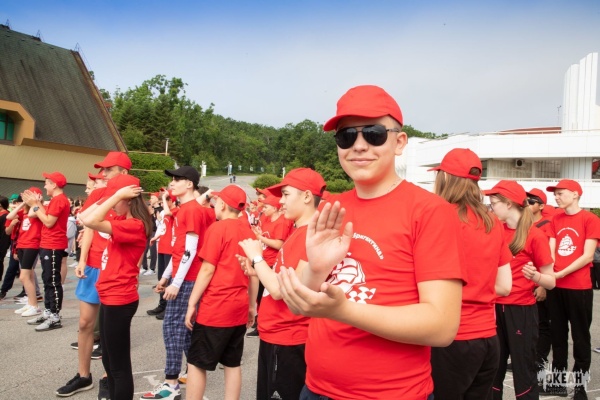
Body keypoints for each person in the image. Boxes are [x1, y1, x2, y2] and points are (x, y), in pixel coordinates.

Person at [277, 85, 464, 399]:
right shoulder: (333, 208)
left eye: (374, 134)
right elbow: (301, 304)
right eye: (346, 136)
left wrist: (344, 311)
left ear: (399, 142)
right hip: (316, 389)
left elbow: (442, 326)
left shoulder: (430, 211)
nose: (359, 146)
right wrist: (317, 268)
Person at [428, 149, 513, 399]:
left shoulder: (439, 217)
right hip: (487, 338)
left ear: (445, 178)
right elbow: (505, 286)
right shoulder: (492, 222)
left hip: (450, 337)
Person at [239, 168, 325, 400]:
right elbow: (280, 279)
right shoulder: (299, 231)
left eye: (286, 194)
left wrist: (257, 258)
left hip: (289, 339)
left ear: (306, 196)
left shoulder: (311, 235)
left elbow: (281, 291)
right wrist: (257, 268)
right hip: (277, 336)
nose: (281, 201)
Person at [141, 166, 215, 400]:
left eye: (177, 179)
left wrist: (176, 282)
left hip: (188, 279)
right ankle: (190, 376)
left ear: (189, 184)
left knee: (173, 329)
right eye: (172, 179)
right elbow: (179, 249)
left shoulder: (191, 210)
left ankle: (172, 384)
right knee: (183, 330)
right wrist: (166, 277)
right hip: (185, 276)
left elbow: (189, 250)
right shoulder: (187, 209)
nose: (171, 183)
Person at [79, 174, 152, 400]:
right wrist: (112, 196)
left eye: (117, 198)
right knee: (109, 362)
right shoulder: (122, 220)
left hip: (120, 298)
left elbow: (91, 222)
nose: (113, 204)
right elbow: (85, 217)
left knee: (119, 367)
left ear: (128, 199)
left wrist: (116, 195)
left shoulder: (135, 225)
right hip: (110, 295)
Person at [184, 184, 257, 400]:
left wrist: (192, 303)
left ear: (223, 204)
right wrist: (252, 305)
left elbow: (207, 269)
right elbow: (253, 274)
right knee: (232, 363)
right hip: (238, 305)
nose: (214, 205)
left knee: (196, 362)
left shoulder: (218, 228)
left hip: (216, 306)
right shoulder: (248, 231)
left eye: (216, 202)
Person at [483, 180, 555, 399]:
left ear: (509, 204)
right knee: (492, 370)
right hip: (494, 308)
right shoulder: (495, 230)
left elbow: (551, 282)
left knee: (523, 371)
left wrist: (536, 277)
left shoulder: (535, 236)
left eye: (494, 203)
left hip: (520, 310)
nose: (491, 207)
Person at [544, 179, 600, 399]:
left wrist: (560, 273)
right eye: (555, 194)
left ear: (575, 194)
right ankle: (557, 383)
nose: (556, 197)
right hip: (556, 286)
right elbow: (551, 248)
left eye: (561, 193)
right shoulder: (555, 218)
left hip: (579, 287)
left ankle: (579, 386)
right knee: (557, 337)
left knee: (580, 338)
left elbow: (587, 255)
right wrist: (551, 272)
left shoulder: (590, 219)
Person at [23, 172, 71, 331]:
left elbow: (49, 222)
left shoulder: (59, 200)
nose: (44, 186)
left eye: (46, 183)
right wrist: (36, 203)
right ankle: (49, 311)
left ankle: (54, 316)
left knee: (52, 280)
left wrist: (35, 205)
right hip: (48, 243)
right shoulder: (56, 200)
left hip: (53, 244)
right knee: (47, 279)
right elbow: (39, 214)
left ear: (54, 184)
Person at [246, 193, 293, 338]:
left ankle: (262, 325)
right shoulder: (266, 219)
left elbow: (279, 244)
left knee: (267, 296)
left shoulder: (282, 222)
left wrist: (260, 237)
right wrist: (259, 235)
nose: (263, 209)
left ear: (275, 208)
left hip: (272, 263)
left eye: (266, 207)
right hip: (263, 260)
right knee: (259, 295)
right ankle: (260, 323)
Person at [526, 188, 554, 373]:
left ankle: (540, 359)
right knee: (529, 325)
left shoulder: (547, 225)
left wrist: (542, 285)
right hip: (525, 281)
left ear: (541, 206)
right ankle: (529, 358)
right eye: (526, 201)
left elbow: (548, 259)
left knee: (542, 324)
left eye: (531, 202)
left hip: (540, 280)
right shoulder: (524, 224)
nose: (527, 204)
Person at [9, 187, 44, 318]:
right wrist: (23, 203)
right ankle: (31, 303)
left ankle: (34, 305)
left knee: (23, 276)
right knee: (29, 276)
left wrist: (34, 202)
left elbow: (31, 215)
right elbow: (10, 216)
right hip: (21, 244)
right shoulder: (23, 211)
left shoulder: (38, 209)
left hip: (32, 244)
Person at [146, 189, 177, 320]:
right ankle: (162, 304)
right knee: (161, 277)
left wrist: (164, 198)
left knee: (168, 279)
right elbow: (163, 228)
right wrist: (156, 237)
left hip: (171, 249)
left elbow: (169, 212)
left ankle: (169, 307)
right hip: (163, 247)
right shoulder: (165, 213)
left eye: (164, 200)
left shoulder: (176, 211)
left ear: (171, 200)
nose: (161, 203)